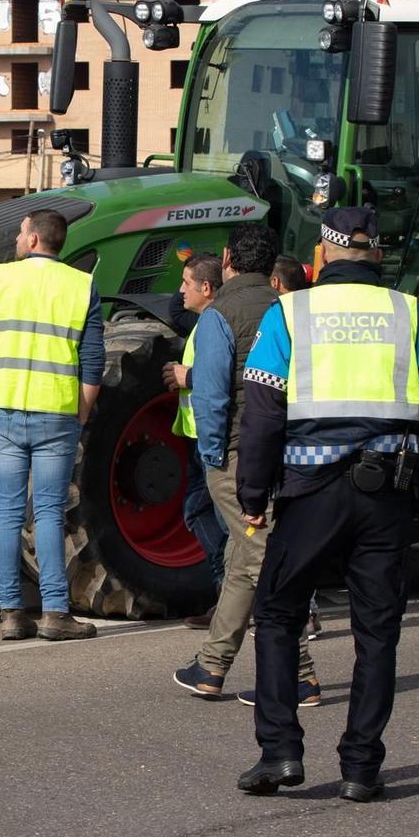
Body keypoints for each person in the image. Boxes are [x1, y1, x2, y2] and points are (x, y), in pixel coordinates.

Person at [233, 207, 419, 799]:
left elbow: (261, 411)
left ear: (322, 254)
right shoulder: (412, 314)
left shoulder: (290, 313)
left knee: (279, 614)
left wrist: (253, 493)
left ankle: (280, 753)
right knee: (377, 631)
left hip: (310, 492)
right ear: (377, 255)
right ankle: (361, 767)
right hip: (388, 494)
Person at [0, 208, 104, 642]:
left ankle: (11, 613)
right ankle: (55, 613)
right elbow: (92, 360)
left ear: (32, 240)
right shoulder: (81, 285)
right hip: (57, 415)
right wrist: (81, 413)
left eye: (20, 231)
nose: (15, 238)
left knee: (7, 513)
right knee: (48, 513)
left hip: (6, 413)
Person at [170, 224, 322, 704]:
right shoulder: (291, 309)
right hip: (290, 451)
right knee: (243, 558)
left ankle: (299, 675)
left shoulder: (221, 314)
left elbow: (212, 392)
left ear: (227, 259)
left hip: (238, 455)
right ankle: (211, 666)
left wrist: (213, 454)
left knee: (260, 561)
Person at [167, 252, 228, 623]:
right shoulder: (205, 320)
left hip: (212, 439)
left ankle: (230, 593)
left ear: (206, 288)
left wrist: (185, 376)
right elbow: (175, 310)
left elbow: (220, 375)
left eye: (186, 282)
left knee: (217, 517)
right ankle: (227, 594)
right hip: (199, 435)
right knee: (202, 511)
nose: (180, 290)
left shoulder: (216, 324)